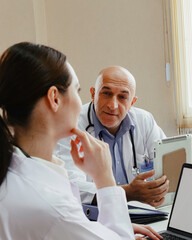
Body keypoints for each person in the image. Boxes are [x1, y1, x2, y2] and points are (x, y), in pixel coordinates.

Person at [0, 42, 162, 239]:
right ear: (55, 98)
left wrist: (102, 231)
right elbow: (63, 219)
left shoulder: (14, 175)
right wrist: (105, 179)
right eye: (77, 90)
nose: (81, 103)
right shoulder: (54, 208)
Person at [54, 66, 169, 207]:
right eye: (106, 93)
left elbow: (167, 164)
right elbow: (69, 185)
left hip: (142, 212)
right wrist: (127, 193)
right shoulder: (72, 125)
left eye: (122, 97)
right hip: (95, 216)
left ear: (132, 102)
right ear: (93, 94)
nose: (112, 105)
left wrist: (157, 190)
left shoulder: (145, 121)